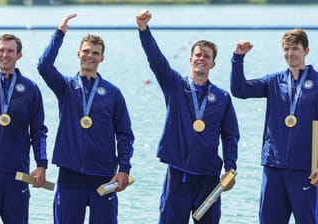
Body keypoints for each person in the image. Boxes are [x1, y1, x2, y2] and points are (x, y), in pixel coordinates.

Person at [136, 10, 240, 224]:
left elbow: (230, 136)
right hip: (178, 176)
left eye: (207, 56)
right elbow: (156, 60)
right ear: (191, 59)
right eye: (198, 55)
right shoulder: (175, 86)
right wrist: (143, 30)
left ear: (213, 64)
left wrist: (230, 167)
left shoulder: (221, 98)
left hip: (208, 178)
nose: (202, 59)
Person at [37, 14, 135, 224]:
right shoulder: (65, 87)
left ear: (102, 58)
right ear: (79, 54)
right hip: (70, 174)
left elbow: (125, 134)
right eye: (86, 52)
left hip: (104, 175)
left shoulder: (113, 93)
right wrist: (59, 33)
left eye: (95, 53)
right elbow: (43, 66)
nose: (90, 56)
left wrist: (124, 168)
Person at [230, 29, 318, 223]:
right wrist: (238, 58)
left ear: (307, 51)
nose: (290, 53)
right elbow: (239, 89)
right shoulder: (274, 81)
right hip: (274, 167)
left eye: (295, 48)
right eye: (286, 49)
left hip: (306, 171)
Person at [0, 34, 48, 223]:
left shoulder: (30, 89)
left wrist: (41, 165)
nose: (5, 54)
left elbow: (39, 131)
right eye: (1, 50)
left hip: (17, 174)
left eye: (10, 51)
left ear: (19, 55)